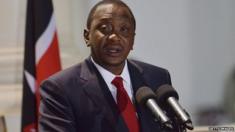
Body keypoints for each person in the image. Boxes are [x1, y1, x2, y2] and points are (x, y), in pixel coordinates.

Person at [39, 0, 177, 131]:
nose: (114, 37)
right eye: (105, 28)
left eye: (124, 29)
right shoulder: (60, 89)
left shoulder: (157, 79)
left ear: (132, 40)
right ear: (87, 36)